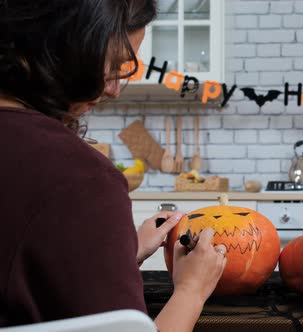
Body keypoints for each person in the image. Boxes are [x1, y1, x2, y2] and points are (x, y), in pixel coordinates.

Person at [0, 1, 226, 330]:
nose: (114, 89)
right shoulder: (80, 177)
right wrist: (191, 291)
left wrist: (118, 256)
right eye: (113, 67)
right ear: (62, 42)